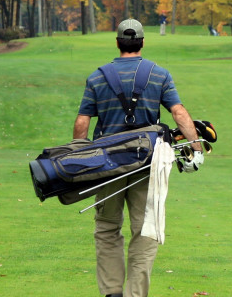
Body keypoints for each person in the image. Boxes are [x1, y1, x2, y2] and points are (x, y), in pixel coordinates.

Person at [73, 18, 203, 297]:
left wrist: (80, 157)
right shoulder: (158, 74)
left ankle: (112, 292)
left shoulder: (98, 76)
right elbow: (178, 113)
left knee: (107, 228)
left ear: (117, 42)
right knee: (145, 230)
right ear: (142, 42)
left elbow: (82, 123)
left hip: (106, 164)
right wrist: (197, 148)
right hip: (147, 165)